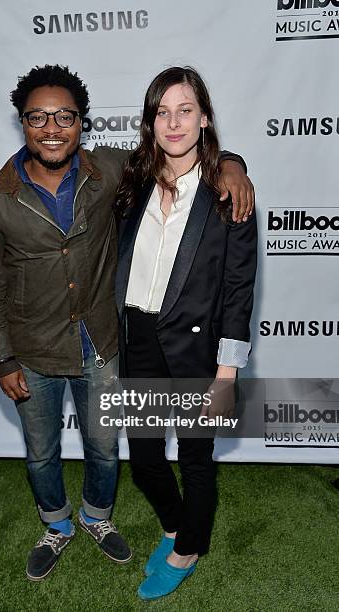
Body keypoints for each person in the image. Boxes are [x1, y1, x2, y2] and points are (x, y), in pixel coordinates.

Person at [0, 64, 254, 581]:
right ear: (22, 123)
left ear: (82, 123)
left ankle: (165, 539)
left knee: (131, 454)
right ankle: (70, 525)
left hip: (137, 346)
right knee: (73, 455)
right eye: (38, 117)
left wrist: (233, 163)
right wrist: (0, 355)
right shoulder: (9, 195)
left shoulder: (135, 177)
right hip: (70, 346)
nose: (52, 127)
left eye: (65, 116)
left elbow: (235, 283)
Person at [114, 66, 257, 600]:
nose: (173, 122)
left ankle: (189, 546)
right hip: (140, 339)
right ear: (150, 121)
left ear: (205, 117)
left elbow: (239, 290)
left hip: (198, 348)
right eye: (162, 111)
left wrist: (227, 372)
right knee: (147, 460)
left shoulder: (228, 193)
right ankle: (176, 523)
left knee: (196, 460)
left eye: (185, 110)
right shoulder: (133, 181)